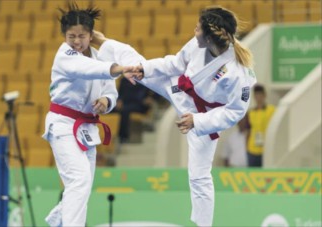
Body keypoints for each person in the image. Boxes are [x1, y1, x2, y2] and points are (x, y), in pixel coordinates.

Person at [92, 6, 257, 226]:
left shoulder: (237, 73)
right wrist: (146, 69)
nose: (194, 30)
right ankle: (103, 42)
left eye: (198, 28)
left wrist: (197, 121)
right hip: (180, 89)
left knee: (199, 176)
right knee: (135, 64)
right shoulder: (198, 44)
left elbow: (235, 111)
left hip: (203, 115)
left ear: (209, 37)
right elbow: (175, 63)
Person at [41, 3, 137, 226]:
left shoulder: (99, 57)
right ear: (64, 36)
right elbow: (87, 70)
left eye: (81, 36)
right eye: (71, 36)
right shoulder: (65, 55)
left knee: (83, 185)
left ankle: (58, 219)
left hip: (87, 129)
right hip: (63, 124)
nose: (76, 41)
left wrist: (106, 101)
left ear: (90, 35)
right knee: (79, 180)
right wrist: (121, 68)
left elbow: (110, 90)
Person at [114, 77, 153, 143]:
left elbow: (152, 94)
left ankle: (123, 137)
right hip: (125, 103)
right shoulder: (124, 80)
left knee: (125, 111)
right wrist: (119, 100)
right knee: (111, 110)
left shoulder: (145, 79)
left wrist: (150, 98)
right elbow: (120, 94)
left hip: (140, 104)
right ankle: (111, 137)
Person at [246, 84, 275, 167]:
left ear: (264, 95)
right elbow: (248, 131)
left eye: (260, 95)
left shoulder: (271, 110)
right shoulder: (251, 113)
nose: (258, 98)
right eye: (256, 95)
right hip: (252, 149)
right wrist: (246, 148)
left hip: (267, 150)